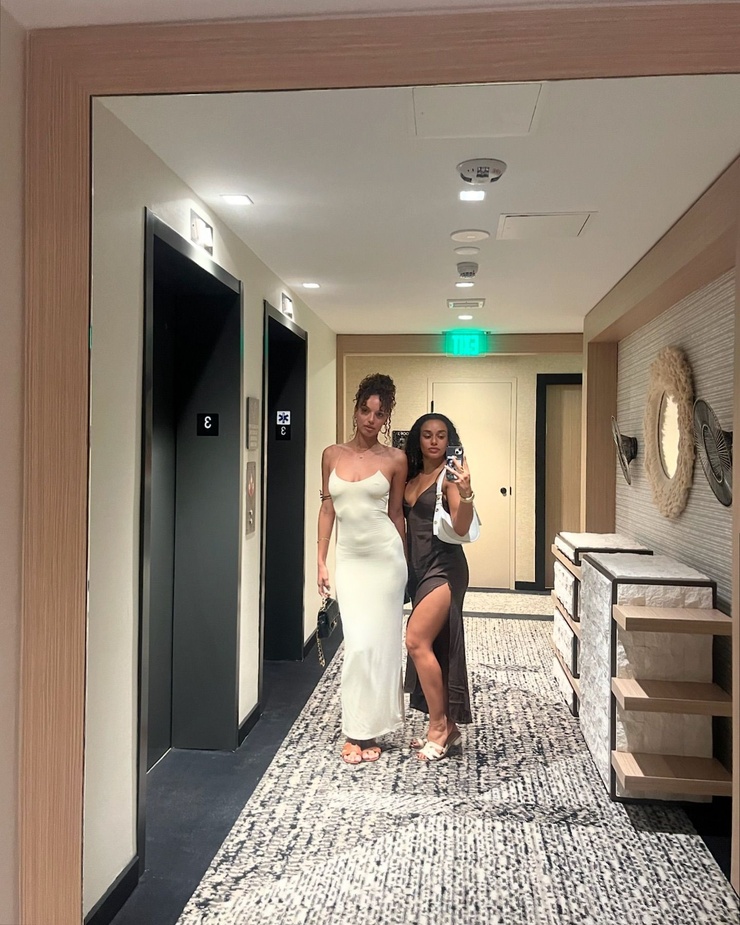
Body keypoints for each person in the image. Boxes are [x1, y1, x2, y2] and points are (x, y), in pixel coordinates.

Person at [317, 373, 408, 765]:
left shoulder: (395, 459)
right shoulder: (331, 454)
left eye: (380, 414)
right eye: (366, 411)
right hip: (350, 561)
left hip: (385, 561)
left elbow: (396, 514)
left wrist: (408, 565)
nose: (372, 420)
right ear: (355, 410)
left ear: (386, 418)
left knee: (379, 646)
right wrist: (320, 560)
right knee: (357, 645)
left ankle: (364, 731)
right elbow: (327, 507)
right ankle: (356, 726)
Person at [403, 413, 474, 761]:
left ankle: (438, 727)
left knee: (416, 640)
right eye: (428, 434)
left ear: (449, 441)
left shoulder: (448, 478)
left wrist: (467, 493)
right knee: (437, 645)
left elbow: (461, 527)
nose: (434, 441)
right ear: (418, 439)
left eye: (441, 435)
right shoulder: (412, 477)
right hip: (419, 569)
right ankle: (450, 726)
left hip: (445, 567)